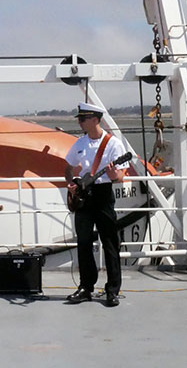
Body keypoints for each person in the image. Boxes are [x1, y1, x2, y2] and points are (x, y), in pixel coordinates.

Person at [64, 102, 128, 307]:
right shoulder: (80, 143)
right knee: (83, 242)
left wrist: (113, 174)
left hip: (102, 194)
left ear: (94, 120)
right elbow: (68, 166)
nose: (80, 122)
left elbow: (120, 176)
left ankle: (112, 290)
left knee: (110, 242)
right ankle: (86, 287)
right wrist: (71, 183)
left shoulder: (113, 144)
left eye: (83, 119)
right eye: (80, 119)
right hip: (83, 196)